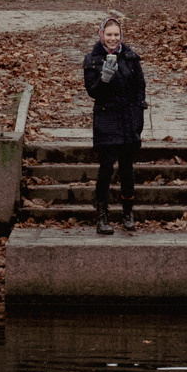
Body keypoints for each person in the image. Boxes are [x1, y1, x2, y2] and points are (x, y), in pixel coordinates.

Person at [83, 13, 145, 235]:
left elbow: (140, 87)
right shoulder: (92, 59)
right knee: (106, 170)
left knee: (127, 169)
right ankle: (103, 215)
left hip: (128, 120)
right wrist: (104, 78)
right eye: (109, 34)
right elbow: (93, 92)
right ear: (101, 35)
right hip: (107, 120)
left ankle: (128, 213)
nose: (112, 38)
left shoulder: (130, 57)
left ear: (121, 35)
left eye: (116, 34)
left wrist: (138, 111)